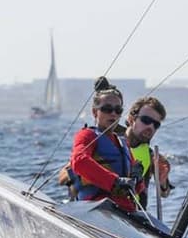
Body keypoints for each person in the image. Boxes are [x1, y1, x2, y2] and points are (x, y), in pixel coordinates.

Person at [58, 77, 144, 212]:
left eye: (118, 110)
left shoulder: (122, 143)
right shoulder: (87, 135)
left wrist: (138, 179)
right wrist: (114, 182)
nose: (113, 114)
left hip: (125, 211)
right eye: (107, 109)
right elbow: (79, 161)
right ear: (94, 112)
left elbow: (137, 188)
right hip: (96, 209)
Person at [124, 96, 173, 209]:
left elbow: (164, 193)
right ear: (131, 119)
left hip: (134, 216)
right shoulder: (108, 142)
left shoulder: (153, 157)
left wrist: (162, 181)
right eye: (146, 120)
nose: (150, 127)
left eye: (156, 125)